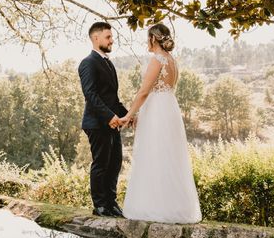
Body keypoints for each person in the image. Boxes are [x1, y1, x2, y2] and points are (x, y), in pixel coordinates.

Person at [119, 23, 201, 223]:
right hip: (168, 108)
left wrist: (129, 114)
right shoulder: (172, 60)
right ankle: (176, 207)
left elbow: (144, 91)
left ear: (153, 39)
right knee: (169, 155)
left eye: (147, 38)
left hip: (157, 111)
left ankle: (153, 208)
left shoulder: (157, 59)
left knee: (154, 153)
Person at [78, 21, 128, 217]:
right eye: (108, 37)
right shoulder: (87, 63)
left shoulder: (108, 63)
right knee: (101, 164)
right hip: (96, 124)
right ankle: (100, 205)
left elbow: (112, 98)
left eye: (111, 37)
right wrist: (109, 117)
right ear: (96, 38)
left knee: (115, 162)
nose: (111, 40)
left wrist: (126, 115)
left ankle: (111, 203)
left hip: (112, 123)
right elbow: (90, 94)